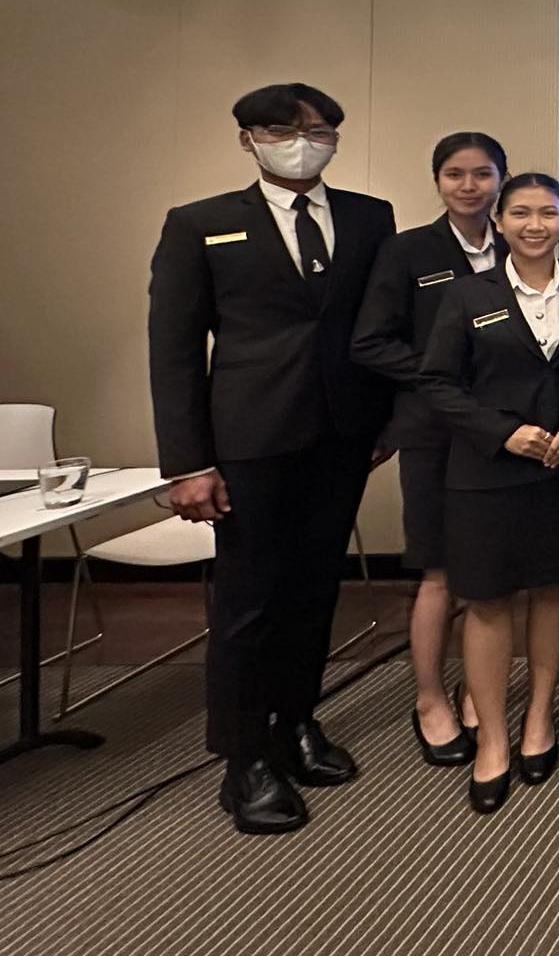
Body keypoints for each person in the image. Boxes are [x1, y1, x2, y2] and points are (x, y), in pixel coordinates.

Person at [148, 82, 395, 835]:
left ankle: (297, 722)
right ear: (249, 140)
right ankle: (243, 757)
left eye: (318, 130)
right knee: (248, 601)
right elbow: (174, 351)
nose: (303, 143)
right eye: (284, 131)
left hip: (342, 438)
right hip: (248, 444)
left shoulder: (369, 217)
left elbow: (381, 327)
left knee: (314, 592)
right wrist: (188, 463)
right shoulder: (200, 224)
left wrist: (384, 421)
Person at [419, 173, 559, 815]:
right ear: (499, 222)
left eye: (547, 212)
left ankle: (539, 717)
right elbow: (437, 383)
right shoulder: (468, 294)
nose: (534, 225)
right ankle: (493, 737)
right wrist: (503, 432)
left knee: (552, 591)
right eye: (519, 213)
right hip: (486, 473)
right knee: (489, 601)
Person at [350, 131, 507, 769]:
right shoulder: (407, 251)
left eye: (482, 174)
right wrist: (445, 374)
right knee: (439, 570)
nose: (469, 186)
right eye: (455, 174)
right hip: (433, 430)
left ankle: (477, 687)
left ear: (501, 180)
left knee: (493, 571)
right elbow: (369, 342)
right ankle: (429, 698)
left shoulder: (522, 243)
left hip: (504, 431)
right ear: (437, 180)